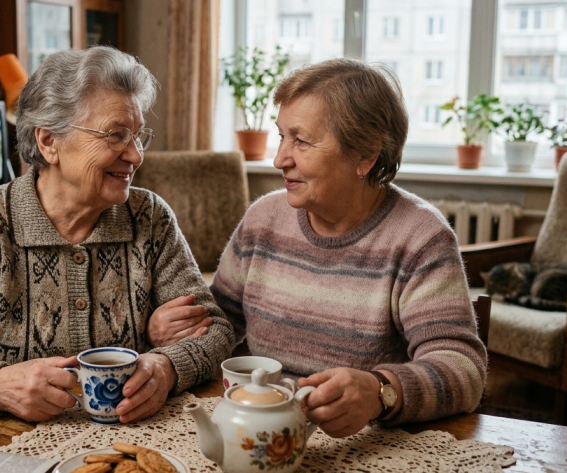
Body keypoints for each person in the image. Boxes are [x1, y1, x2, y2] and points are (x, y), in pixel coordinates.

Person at [0, 46, 233, 424]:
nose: (135, 155)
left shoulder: (149, 218)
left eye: (138, 136)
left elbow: (217, 332)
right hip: (8, 449)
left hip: (128, 439)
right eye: (116, 135)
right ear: (48, 142)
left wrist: (166, 367)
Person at [156, 58, 487, 438]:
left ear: (366, 153)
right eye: (281, 136)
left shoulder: (419, 238)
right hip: (258, 432)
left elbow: (463, 369)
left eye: (301, 140)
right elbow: (219, 323)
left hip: (360, 444)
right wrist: (168, 328)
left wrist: (380, 392)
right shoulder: (263, 219)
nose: (280, 159)